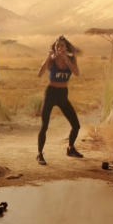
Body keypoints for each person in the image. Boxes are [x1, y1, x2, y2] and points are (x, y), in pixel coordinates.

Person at [36, 35, 83, 165]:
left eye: (61, 46)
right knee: (44, 125)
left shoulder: (71, 59)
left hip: (63, 94)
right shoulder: (51, 60)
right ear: (54, 48)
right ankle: (39, 154)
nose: (59, 48)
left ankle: (70, 148)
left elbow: (77, 72)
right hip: (51, 93)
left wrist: (67, 59)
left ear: (65, 47)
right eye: (57, 46)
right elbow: (39, 74)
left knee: (76, 125)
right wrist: (47, 58)